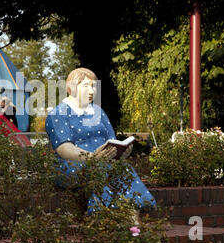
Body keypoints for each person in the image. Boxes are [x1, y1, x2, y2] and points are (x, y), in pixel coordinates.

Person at [45, 68, 156, 215]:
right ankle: (111, 216)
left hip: (104, 163)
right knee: (101, 171)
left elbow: (111, 140)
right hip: (72, 164)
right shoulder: (58, 114)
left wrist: (122, 151)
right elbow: (64, 148)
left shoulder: (98, 112)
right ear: (71, 88)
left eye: (93, 86)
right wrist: (91, 158)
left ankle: (127, 214)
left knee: (123, 169)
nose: (91, 91)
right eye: (86, 86)